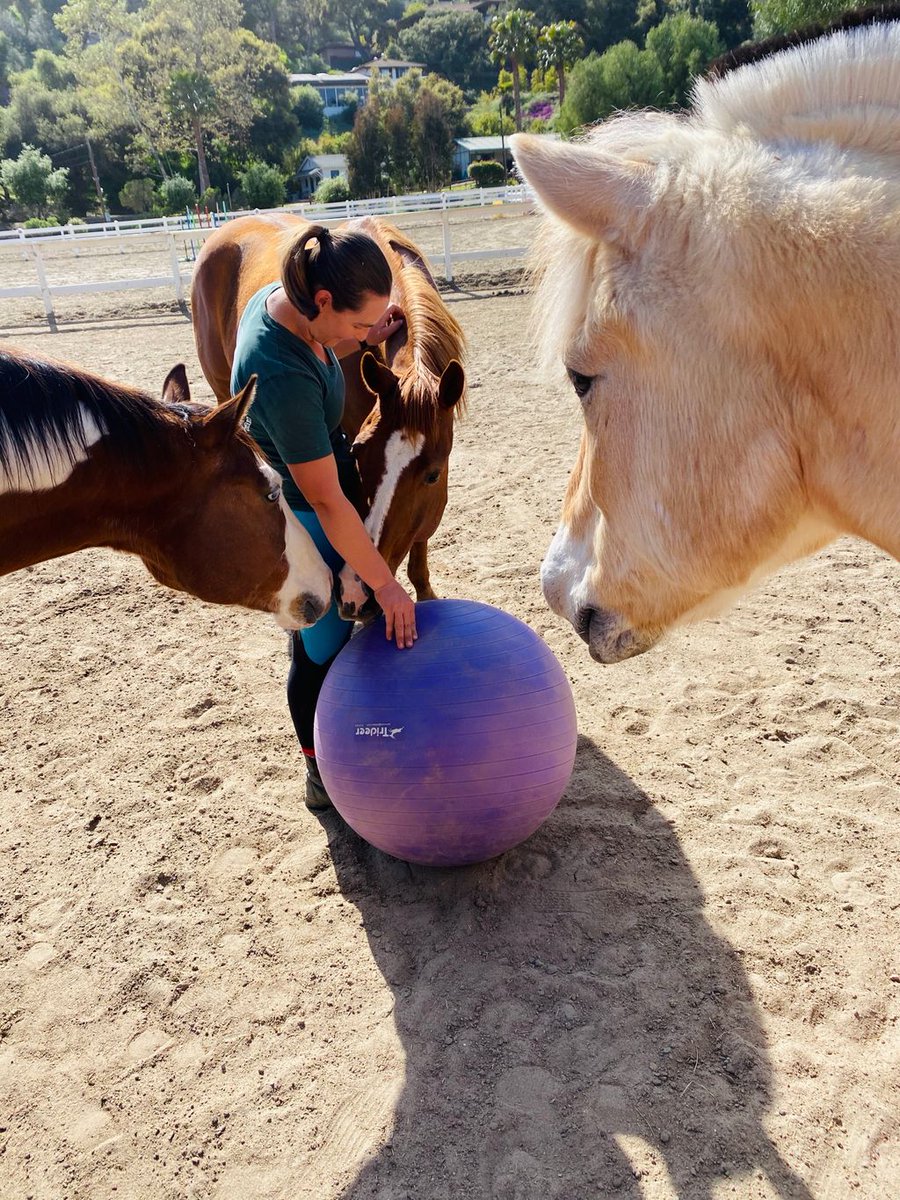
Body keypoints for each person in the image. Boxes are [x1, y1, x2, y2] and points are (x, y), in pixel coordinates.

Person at [230, 223, 417, 811]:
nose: (367, 335)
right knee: (320, 643)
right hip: (305, 509)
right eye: (361, 323)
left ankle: (346, 740)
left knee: (331, 631)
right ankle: (317, 772)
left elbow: (322, 345)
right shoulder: (280, 373)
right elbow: (329, 502)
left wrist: (361, 339)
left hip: (323, 477)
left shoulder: (292, 303)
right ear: (326, 301)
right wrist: (387, 586)